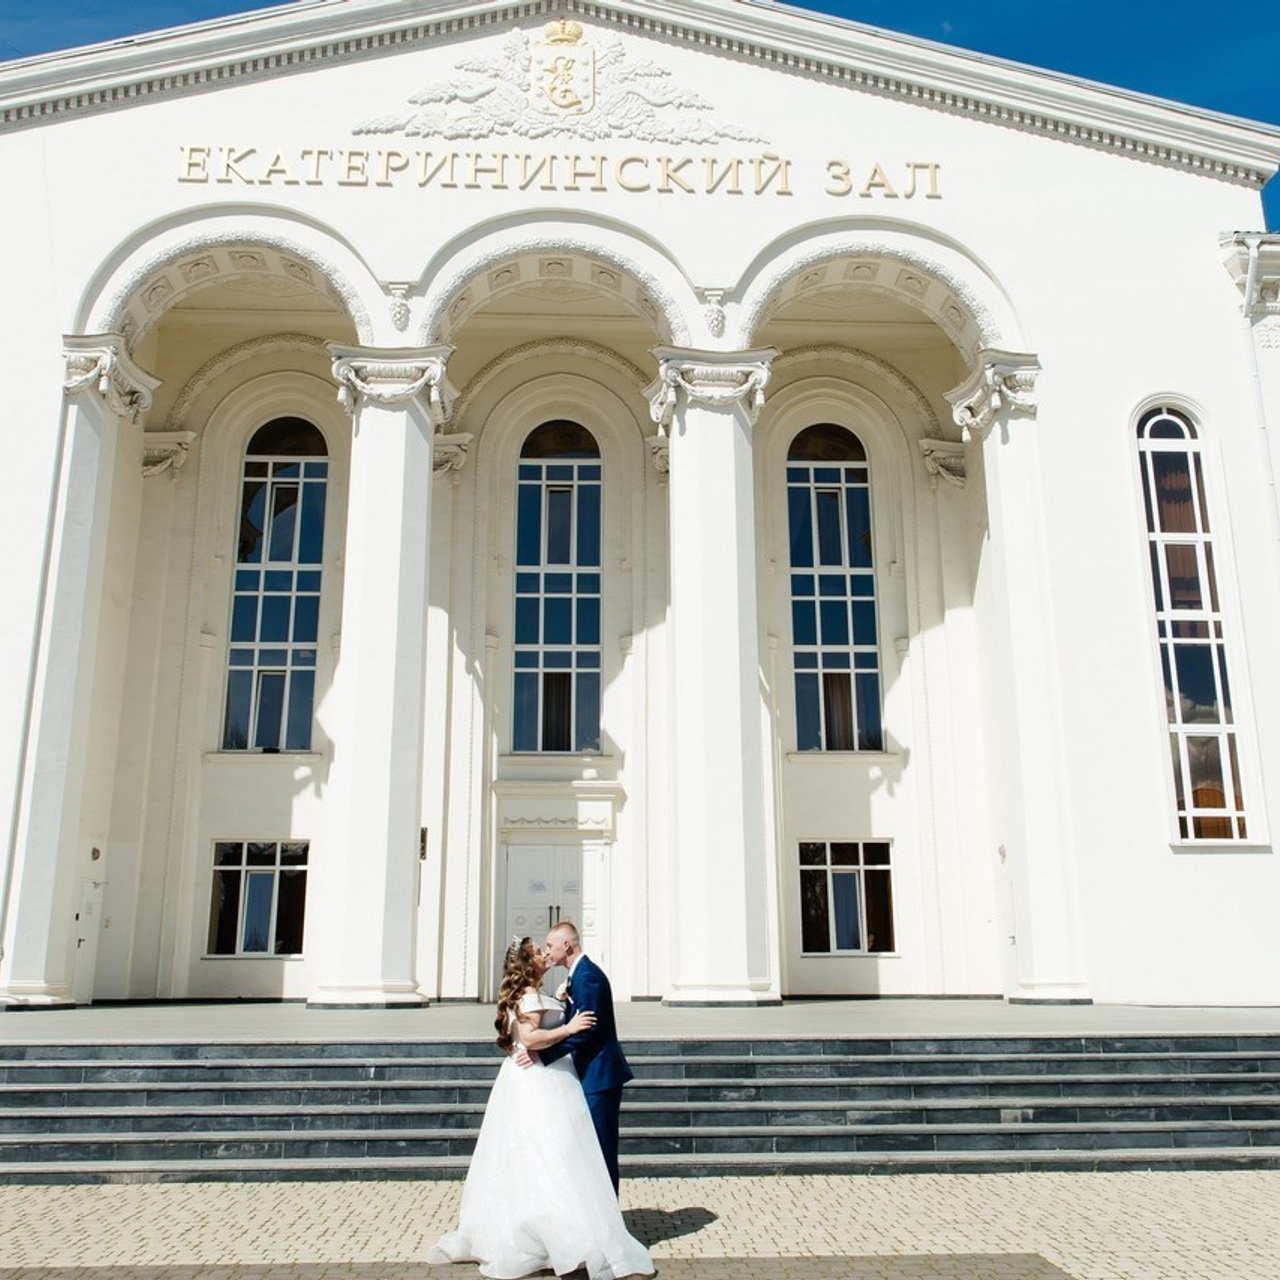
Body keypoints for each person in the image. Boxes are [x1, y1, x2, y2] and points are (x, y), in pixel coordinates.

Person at [426, 936, 654, 1280]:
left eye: (547, 948)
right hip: (541, 1079)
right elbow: (530, 1039)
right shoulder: (529, 996)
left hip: (548, 1078)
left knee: (551, 1153)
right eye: (538, 951)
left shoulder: (541, 991)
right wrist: (568, 1026)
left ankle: (561, 1224)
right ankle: (562, 1231)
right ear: (527, 963)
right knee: (552, 1152)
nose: (545, 954)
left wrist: (560, 1002)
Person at [532, 921, 633, 1194]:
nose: (547, 951)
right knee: (591, 1148)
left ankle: (608, 1212)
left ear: (566, 945)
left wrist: (544, 1054)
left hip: (599, 1076)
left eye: (550, 945)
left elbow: (587, 1030)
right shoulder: (578, 975)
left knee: (601, 1148)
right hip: (590, 1073)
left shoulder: (587, 976)